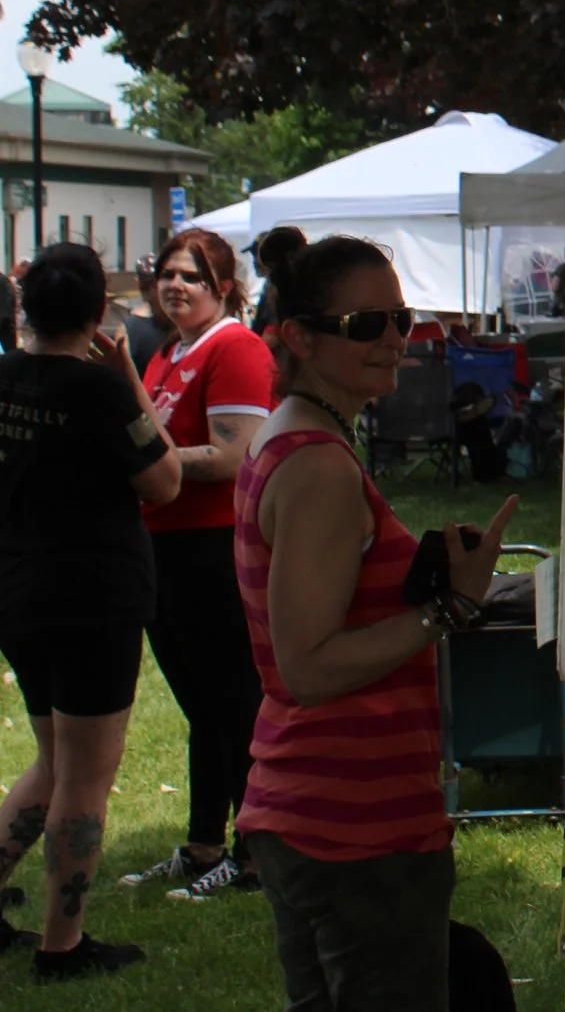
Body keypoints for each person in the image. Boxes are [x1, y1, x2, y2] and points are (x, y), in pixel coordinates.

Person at [237, 232, 516, 1012]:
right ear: (298, 335)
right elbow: (309, 665)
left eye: (401, 317)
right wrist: (449, 606)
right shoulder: (318, 464)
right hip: (350, 824)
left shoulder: (298, 434)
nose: (394, 339)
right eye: (366, 324)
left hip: (316, 810)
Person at [0, 243, 180, 980]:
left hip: (17, 592)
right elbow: (165, 480)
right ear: (97, 311)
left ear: (26, 305)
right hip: (92, 601)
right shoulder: (99, 392)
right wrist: (130, 381)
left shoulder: (3, 377)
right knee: (85, 777)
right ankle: (62, 943)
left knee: (52, 756)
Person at [121, 227, 276, 903]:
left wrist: (147, 465)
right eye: (168, 273)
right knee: (200, 704)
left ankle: (254, 851)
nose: (175, 284)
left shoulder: (234, 346)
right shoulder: (171, 351)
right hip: (164, 543)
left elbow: (235, 454)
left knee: (232, 698)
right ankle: (203, 841)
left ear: (222, 284)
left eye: (192, 274)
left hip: (210, 543)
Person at [250, 227, 307, 335]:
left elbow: (275, 332)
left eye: (257, 254)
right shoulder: (270, 287)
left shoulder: (290, 288)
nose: (254, 261)